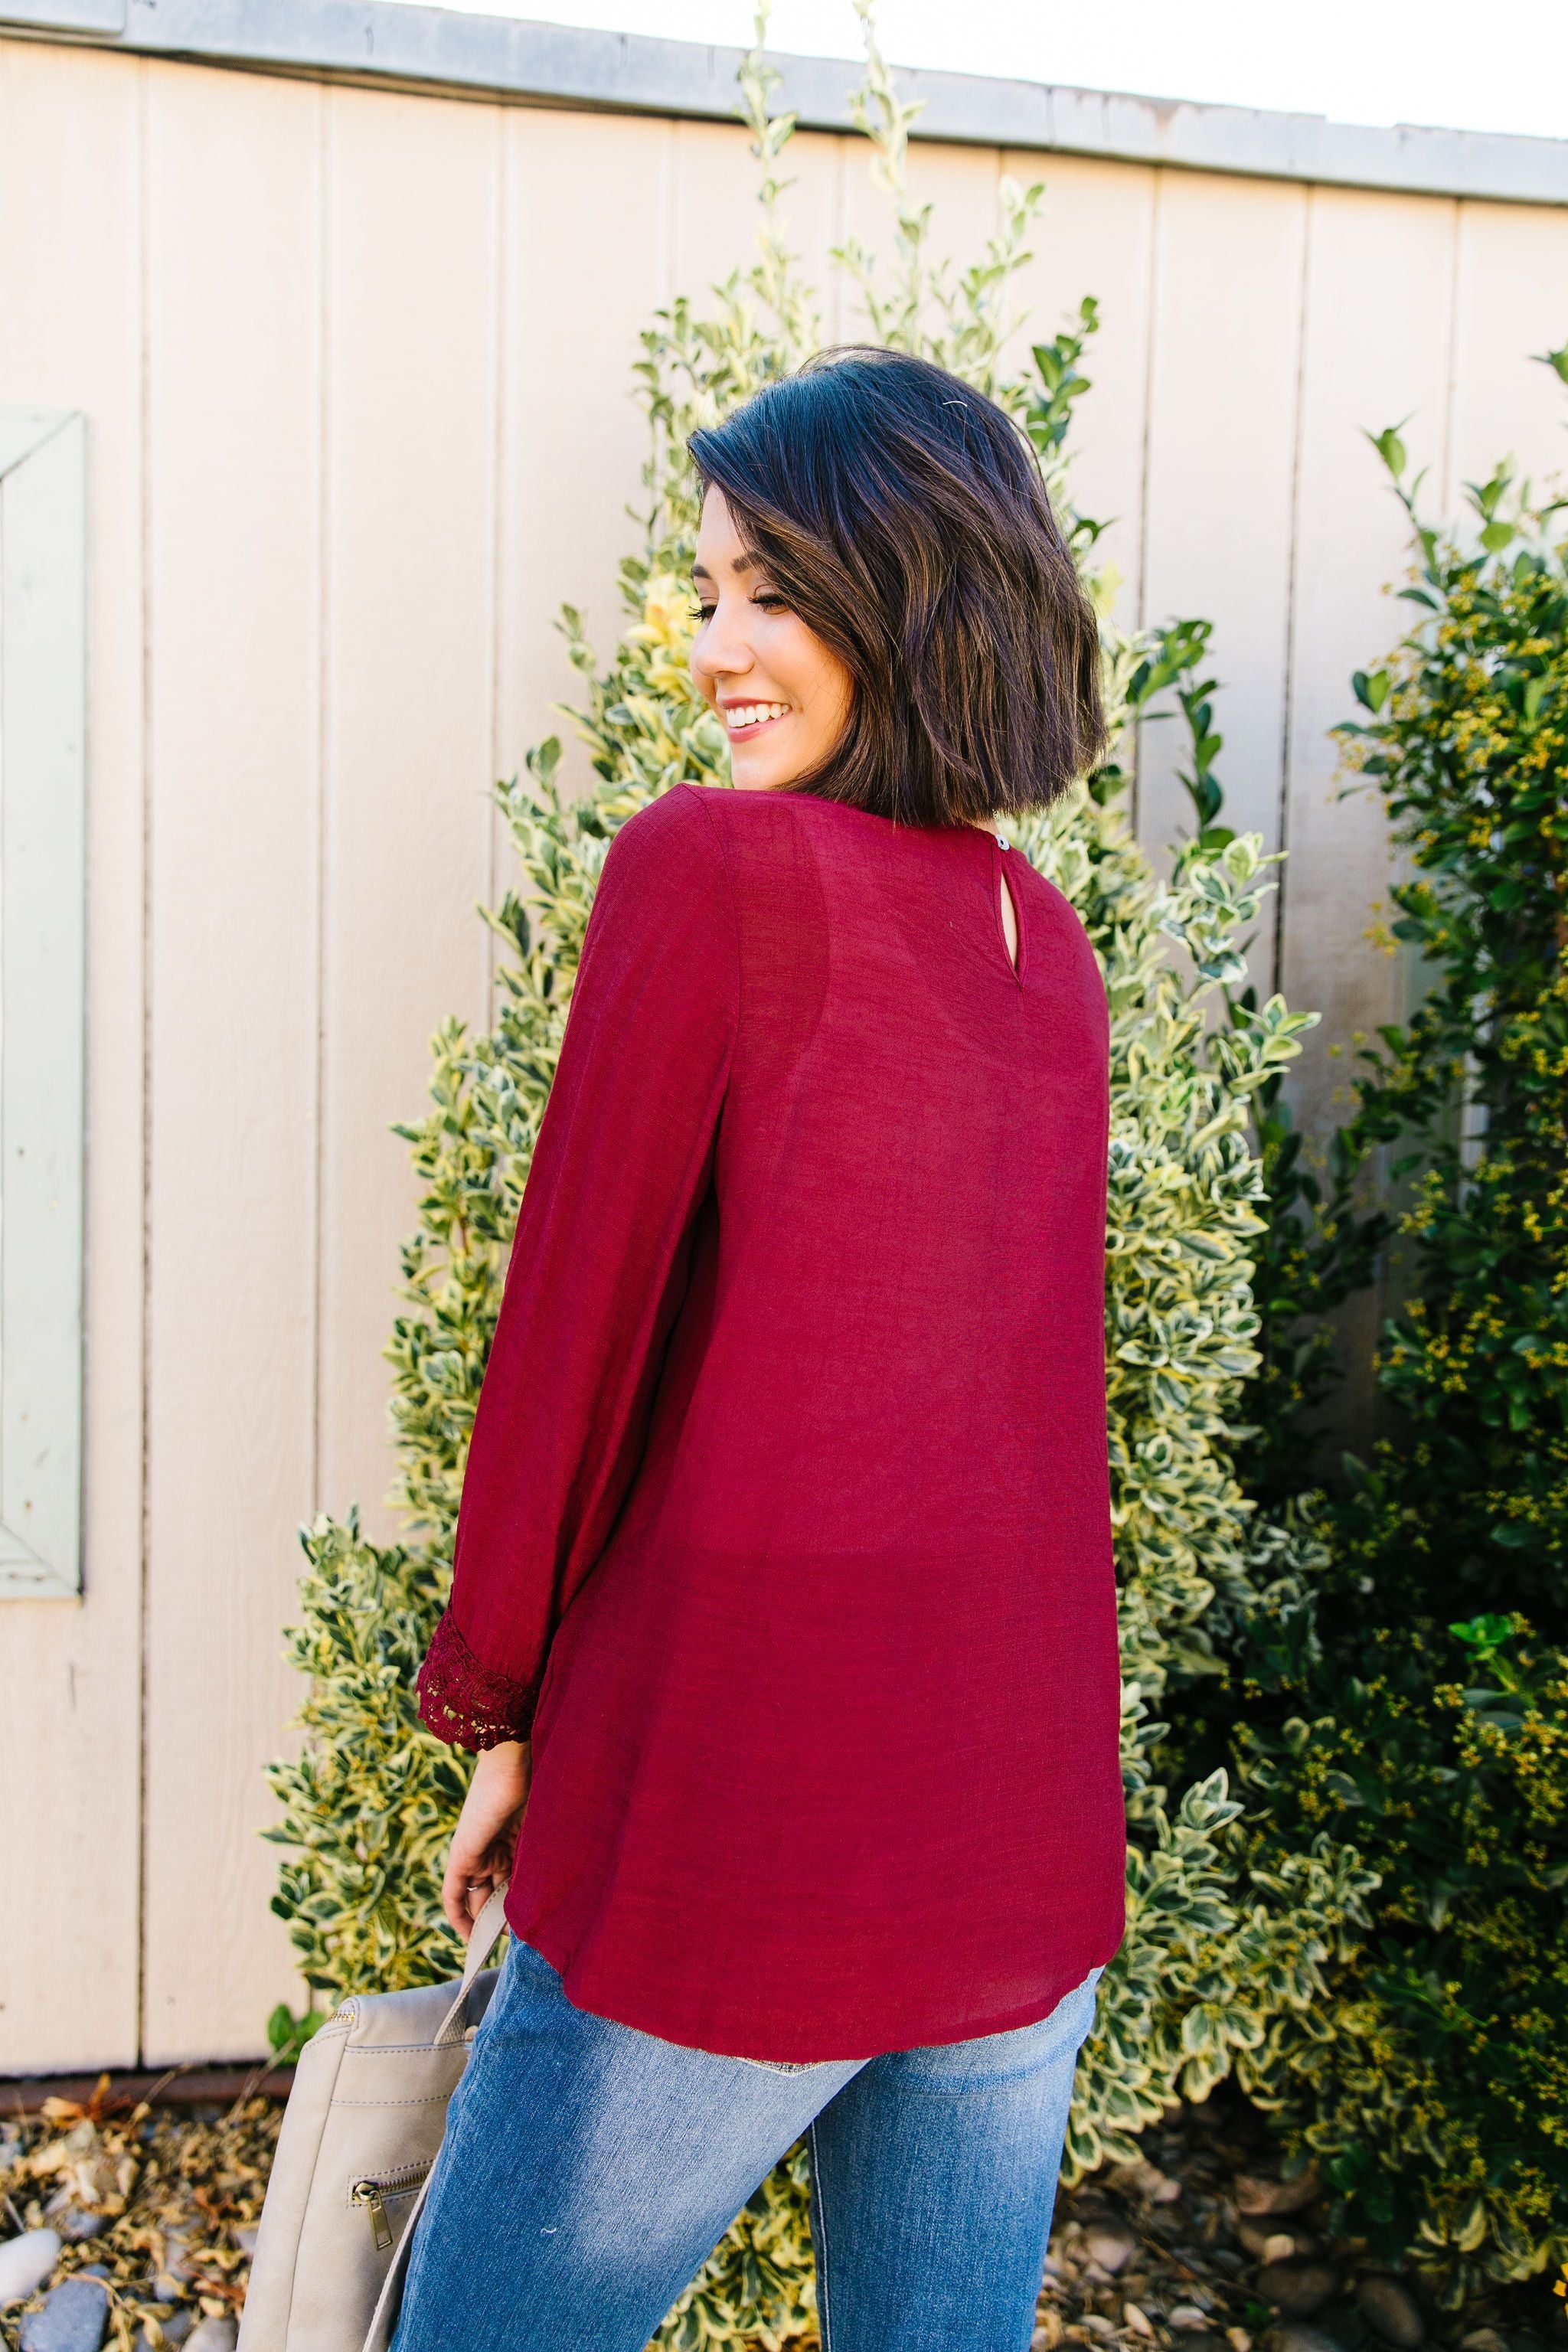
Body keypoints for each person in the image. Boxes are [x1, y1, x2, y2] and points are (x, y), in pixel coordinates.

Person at [394, 346, 1126, 2352]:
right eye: (709, 590)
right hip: (1017, 1839)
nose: (717, 646)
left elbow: (574, 1339)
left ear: (912, 592)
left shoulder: (709, 871)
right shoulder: (1042, 945)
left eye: (773, 591)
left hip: (743, 1827)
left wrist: (498, 1705)